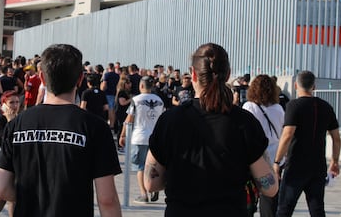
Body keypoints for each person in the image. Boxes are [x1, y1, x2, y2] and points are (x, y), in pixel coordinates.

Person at [144, 43, 278, 216]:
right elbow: (270, 188)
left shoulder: (170, 120)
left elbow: (151, 182)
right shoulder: (244, 122)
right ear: (228, 75)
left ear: (193, 74)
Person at [0, 44, 122, 217]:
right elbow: (107, 199)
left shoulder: (17, 124)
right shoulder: (95, 127)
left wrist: (32, 198)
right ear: (80, 79)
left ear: (42, 79)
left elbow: (1, 188)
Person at [274, 70, 340, 217]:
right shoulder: (326, 107)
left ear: (296, 86)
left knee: (285, 209)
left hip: (296, 166)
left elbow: (287, 135)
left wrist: (277, 161)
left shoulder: (294, 106)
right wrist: (334, 161)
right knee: (317, 210)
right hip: (318, 166)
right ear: (314, 87)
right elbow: (336, 138)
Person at [243, 74, 285, 217]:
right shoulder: (279, 109)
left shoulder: (249, 107)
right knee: (270, 201)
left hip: (256, 157)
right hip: (275, 158)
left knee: (250, 197)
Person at [119, 76, 164, 204]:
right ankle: (154, 187)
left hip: (139, 136)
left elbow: (129, 119)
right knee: (154, 165)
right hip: (155, 136)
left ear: (141, 86)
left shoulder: (136, 100)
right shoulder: (159, 101)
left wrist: (123, 135)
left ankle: (143, 193)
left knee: (140, 166)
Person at [0, 91, 20, 217]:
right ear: (4, 105)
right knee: (6, 197)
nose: (15, 105)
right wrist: (10, 122)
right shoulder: (1, 121)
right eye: (11, 102)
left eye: (17, 102)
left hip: (19, 161)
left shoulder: (20, 118)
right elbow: (3, 141)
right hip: (5, 162)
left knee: (10, 197)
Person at [100, 63, 120, 130]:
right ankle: (113, 124)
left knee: (110, 110)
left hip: (108, 94)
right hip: (115, 94)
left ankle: (110, 125)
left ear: (108, 68)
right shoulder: (117, 76)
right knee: (113, 110)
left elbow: (104, 85)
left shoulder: (106, 75)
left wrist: (102, 89)